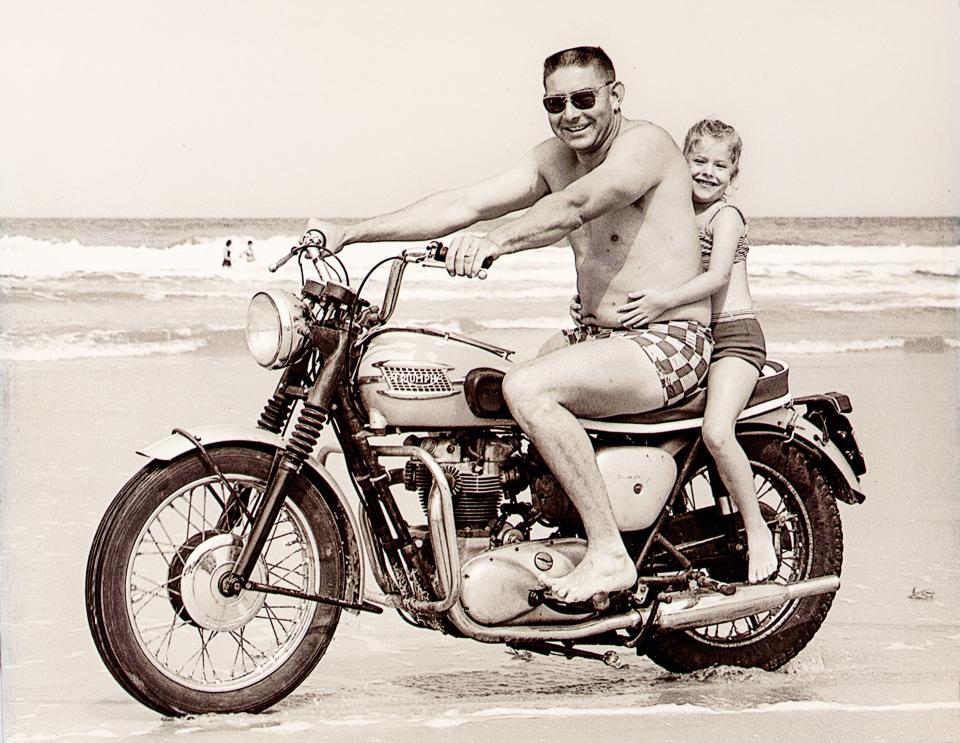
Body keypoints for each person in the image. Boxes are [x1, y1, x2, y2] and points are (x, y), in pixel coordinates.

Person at [303, 46, 712, 603]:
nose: (570, 113)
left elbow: (580, 205)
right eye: (555, 102)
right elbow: (466, 202)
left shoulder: (647, 146)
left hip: (667, 342)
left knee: (529, 388)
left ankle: (610, 554)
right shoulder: (554, 157)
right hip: (599, 338)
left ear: (615, 95)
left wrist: (496, 243)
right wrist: (351, 233)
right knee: (494, 388)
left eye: (584, 98)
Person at [572, 119, 777, 583]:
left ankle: (757, 528)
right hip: (684, 332)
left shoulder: (726, 216)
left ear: (734, 175)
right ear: (682, 162)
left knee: (717, 433)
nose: (707, 172)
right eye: (698, 161)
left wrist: (661, 301)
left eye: (719, 165)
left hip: (733, 337)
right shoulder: (673, 210)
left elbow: (717, 277)